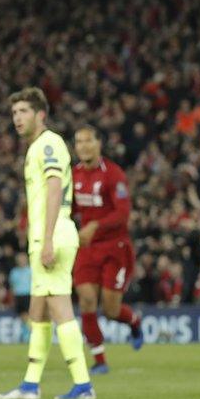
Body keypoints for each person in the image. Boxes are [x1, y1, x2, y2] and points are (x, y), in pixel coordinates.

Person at [0, 87, 94, 399]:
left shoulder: (48, 143)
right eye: (14, 113)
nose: (17, 118)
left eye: (23, 111)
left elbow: (55, 188)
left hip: (53, 234)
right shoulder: (38, 146)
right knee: (37, 311)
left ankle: (83, 384)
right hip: (46, 235)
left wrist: (48, 238)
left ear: (40, 114)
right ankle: (30, 385)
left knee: (59, 308)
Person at [71, 125, 143, 375]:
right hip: (87, 249)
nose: (83, 146)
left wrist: (95, 225)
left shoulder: (113, 174)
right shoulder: (73, 175)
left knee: (111, 310)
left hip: (116, 248)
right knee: (87, 300)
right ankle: (100, 360)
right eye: (79, 141)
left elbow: (123, 214)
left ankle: (134, 321)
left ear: (99, 143)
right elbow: (68, 211)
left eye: (88, 140)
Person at [8, 253, 32, 342]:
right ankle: (27, 334)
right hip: (18, 296)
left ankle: (29, 334)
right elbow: (12, 286)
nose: (21, 261)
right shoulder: (14, 272)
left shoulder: (30, 270)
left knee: (28, 315)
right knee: (22, 316)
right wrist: (12, 299)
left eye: (23, 259)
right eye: (20, 259)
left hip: (28, 295)